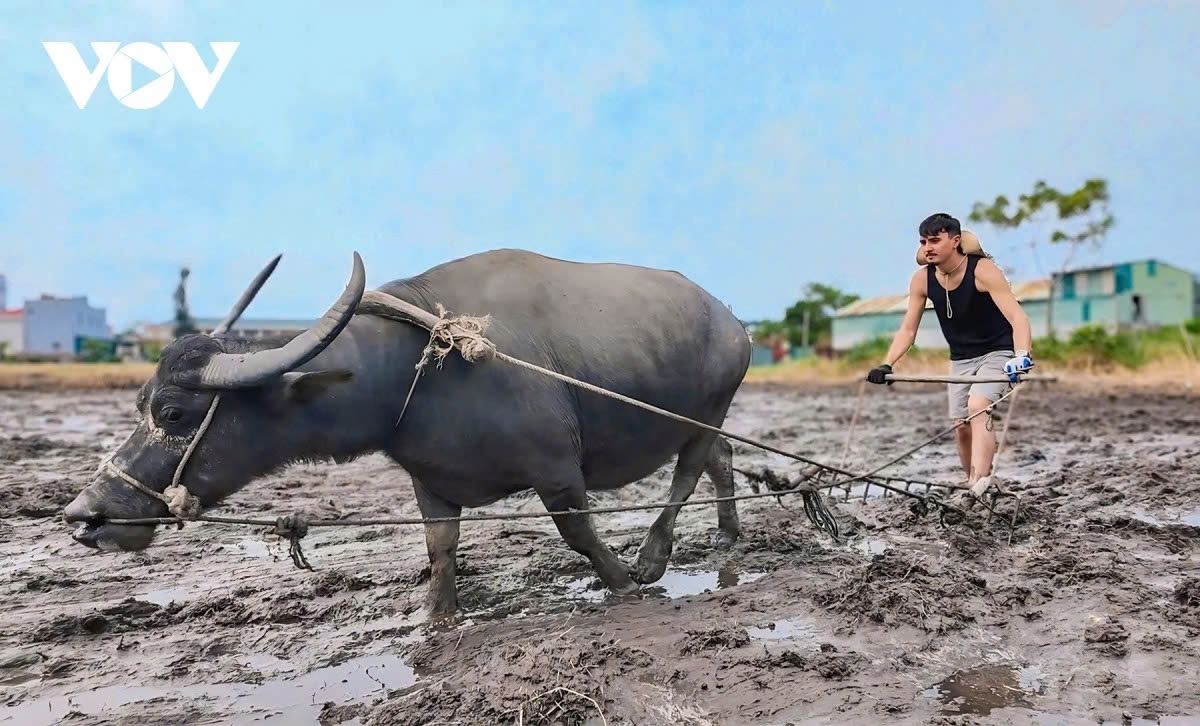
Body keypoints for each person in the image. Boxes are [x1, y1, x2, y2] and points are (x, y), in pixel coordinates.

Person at [865, 212, 1034, 499]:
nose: (927, 247)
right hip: (961, 359)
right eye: (923, 241)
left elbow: (1018, 317)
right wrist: (887, 363)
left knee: (978, 405)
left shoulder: (982, 270)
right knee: (960, 425)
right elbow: (908, 330)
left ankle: (980, 483)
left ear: (955, 241)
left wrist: (1021, 355)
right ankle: (972, 482)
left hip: (999, 352)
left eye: (935, 240)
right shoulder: (922, 280)